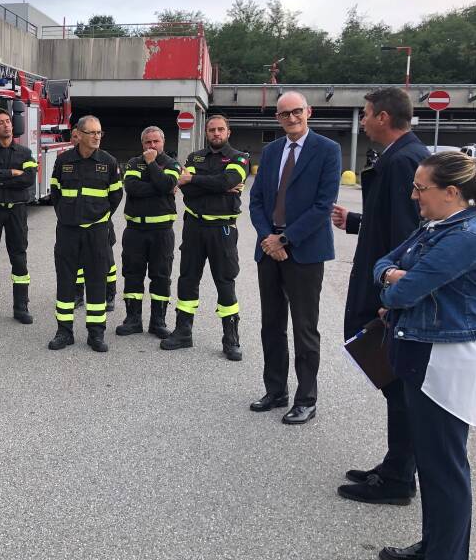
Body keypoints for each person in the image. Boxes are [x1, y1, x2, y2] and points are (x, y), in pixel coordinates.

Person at [372, 151, 476, 560]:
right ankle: (433, 545)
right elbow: (385, 263)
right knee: (431, 460)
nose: (414, 195)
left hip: (449, 360)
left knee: (445, 466)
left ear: (452, 193)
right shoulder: (438, 228)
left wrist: (396, 281)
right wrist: (394, 276)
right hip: (426, 353)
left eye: (421, 189)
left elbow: (404, 288)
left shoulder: (468, 237)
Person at [333, 87, 429, 505]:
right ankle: (395, 466)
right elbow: (390, 221)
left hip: (387, 290)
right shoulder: (398, 158)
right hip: (382, 280)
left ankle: (399, 479)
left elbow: (411, 235)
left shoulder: (405, 160)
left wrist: (391, 296)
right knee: (391, 379)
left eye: (367, 114)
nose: (364, 121)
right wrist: (357, 221)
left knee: (397, 381)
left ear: (385, 117)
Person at [248, 92, 341, 425]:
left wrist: (285, 239)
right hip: (269, 249)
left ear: (308, 112)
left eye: (296, 111)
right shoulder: (271, 152)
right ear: (277, 118)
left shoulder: (328, 150)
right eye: (284, 114)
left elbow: (323, 205)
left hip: (304, 251)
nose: (291, 118)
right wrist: (268, 239)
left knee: (304, 328)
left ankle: (306, 398)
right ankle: (276, 391)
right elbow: (256, 201)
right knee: (271, 325)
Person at [162, 115, 249, 360]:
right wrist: (213, 185)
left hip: (222, 229)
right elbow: (186, 189)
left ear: (228, 132)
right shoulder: (194, 157)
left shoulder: (238, 158)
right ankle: (183, 332)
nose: (216, 133)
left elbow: (228, 180)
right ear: (206, 133)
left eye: (221, 129)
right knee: (188, 278)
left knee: (225, 281)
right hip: (194, 228)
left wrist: (195, 180)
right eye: (212, 130)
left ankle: (231, 338)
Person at [48, 115, 122, 353]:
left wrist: (97, 218)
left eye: (99, 132)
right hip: (68, 231)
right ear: (78, 134)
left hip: (97, 232)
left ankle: (96, 334)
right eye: (92, 132)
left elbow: (115, 196)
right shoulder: (63, 161)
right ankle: (64, 332)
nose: (97, 136)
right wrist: (67, 217)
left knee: (97, 283)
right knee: (65, 281)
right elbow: (56, 193)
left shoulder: (109, 162)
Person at [115, 126, 181, 338]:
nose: (151, 146)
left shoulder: (172, 163)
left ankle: (158, 321)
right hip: (135, 230)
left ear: (163, 143)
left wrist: (152, 164)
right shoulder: (134, 162)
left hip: (161, 232)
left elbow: (167, 184)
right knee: (132, 275)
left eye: (155, 142)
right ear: (142, 144)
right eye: (147, 142)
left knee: (161, 276)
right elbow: (132, 188)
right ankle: (133, 319)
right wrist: (159, 187)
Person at [0, 108, 38, 325]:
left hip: (17, 211)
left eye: (8, 121)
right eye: (1, 122)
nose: (6, 125)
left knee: (19, 257)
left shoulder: (24, 152)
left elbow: (29, 179)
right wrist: (12, 173)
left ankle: (21, 307)